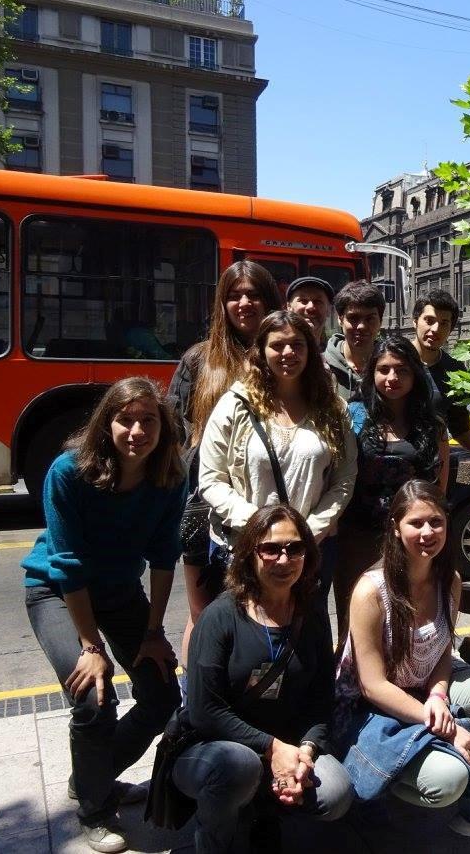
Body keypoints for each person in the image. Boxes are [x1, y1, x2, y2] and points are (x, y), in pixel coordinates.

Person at [21, 377, 187, 853]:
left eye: (149, 420)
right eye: (125, 419)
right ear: (105, 423)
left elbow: (162, 558)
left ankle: (91, 778)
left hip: (118, 592)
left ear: (164, 427)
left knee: (160, 692)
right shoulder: (68, 472)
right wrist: (91, 647)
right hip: (56, 592)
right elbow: (68, 565)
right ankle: (94, 808)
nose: (137, 430)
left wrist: (153, 633)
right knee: (93, 698)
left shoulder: (168, 477)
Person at [337, 481, 470, 842]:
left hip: (425, 692)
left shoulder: (450, 581)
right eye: (416, 523)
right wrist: (444, 725)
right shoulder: (371, 591)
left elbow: (444, 651)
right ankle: (391, 798)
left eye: (437, 521)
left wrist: (439, 696)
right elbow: (372, 685)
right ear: (396, 528)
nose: (428, 532)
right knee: (449, 779)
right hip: (374, 708)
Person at [175, 505, 353, 853]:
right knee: (238, 767)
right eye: (270, 549)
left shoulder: (311, 614)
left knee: (335, 792)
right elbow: (204, 711)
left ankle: (262, 812)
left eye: (294, 548)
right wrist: (272, 748)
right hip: (213, 749)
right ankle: (214, 840)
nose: (283, 560)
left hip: (285, 746)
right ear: (248, 554)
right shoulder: (221, 616)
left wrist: (304, 751)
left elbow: (320, 699)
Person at [169, 262, 283, 682]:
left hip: (270, 509)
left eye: (254, 294)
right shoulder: (200, 361)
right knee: (204, 615)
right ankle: (194, 704)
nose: (244, 302)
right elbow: (173, 432)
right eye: (235, 294)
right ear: (223, 303)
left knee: (263, 612)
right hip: (206, 510)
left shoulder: (287, 356)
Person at [198, 310, 357, 605]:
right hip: (245, 548)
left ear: (311, 349)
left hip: (311, 550)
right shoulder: (235, 404)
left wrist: (307, 533)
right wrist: (263, 532)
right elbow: (211, 478)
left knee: (305, 636)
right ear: (261, 350)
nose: (288, 352)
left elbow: (344, 479)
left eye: (298, 345)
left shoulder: (332, 408)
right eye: (277, 345)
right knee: (246, 639)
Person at [334, 335, 450, 634]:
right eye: (383, 369)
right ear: (372, 374)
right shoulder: (354, 416)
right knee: (356, 622)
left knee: (405, 619)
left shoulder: (431, 424)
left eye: (401, 370)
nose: (392, 377)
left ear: (415, 373)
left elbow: (439, 486)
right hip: (358, 536)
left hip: (409, 538)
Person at [410, 289, 470, 461]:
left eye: (444, 323)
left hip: (431, 470)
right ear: (415, 321)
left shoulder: (454, 372)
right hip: (387, 466)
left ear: (451, 328)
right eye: (429, 320)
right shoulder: (393, 360)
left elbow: (460, 430)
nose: (435, 329)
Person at [324, 280, 385, 402]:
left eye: (370, 319)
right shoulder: (320, 368)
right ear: (340, 320)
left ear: (380, 321)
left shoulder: (392, 369)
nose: (362, 326)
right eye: (353, 318)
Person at [286, 275, 335, 347]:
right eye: (303, 301)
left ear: (329, 309)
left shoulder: (335, 356)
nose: (310, 307)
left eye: (318, 301)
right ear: (289, 307)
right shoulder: (277, 352)